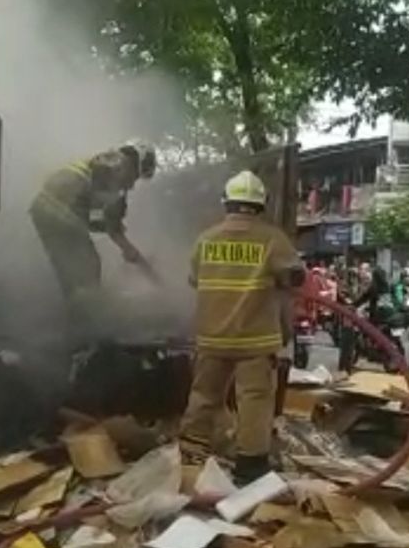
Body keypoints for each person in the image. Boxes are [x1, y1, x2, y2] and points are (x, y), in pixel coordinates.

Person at [181, 170, 304, 483]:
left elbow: (194, 280)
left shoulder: (205, 240)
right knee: (254, 398)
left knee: (204, 396)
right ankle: (250, 466)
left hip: (212, 336)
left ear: (227, 203)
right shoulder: (272, 239)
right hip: (255, 338)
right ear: (261, 204)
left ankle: (190, 457)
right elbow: (295, 277)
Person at [29, 141, 157, 312]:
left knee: (72, 269)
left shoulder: (109, 169)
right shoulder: (116, 162)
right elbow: (105, 217)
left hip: (45, 209)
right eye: (135, 177)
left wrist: (131, 252)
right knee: (87, 264)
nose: (132, 185)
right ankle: (86, 317)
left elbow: (111, 226)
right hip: (60, 209)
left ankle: (76, 315)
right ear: (137, 163)